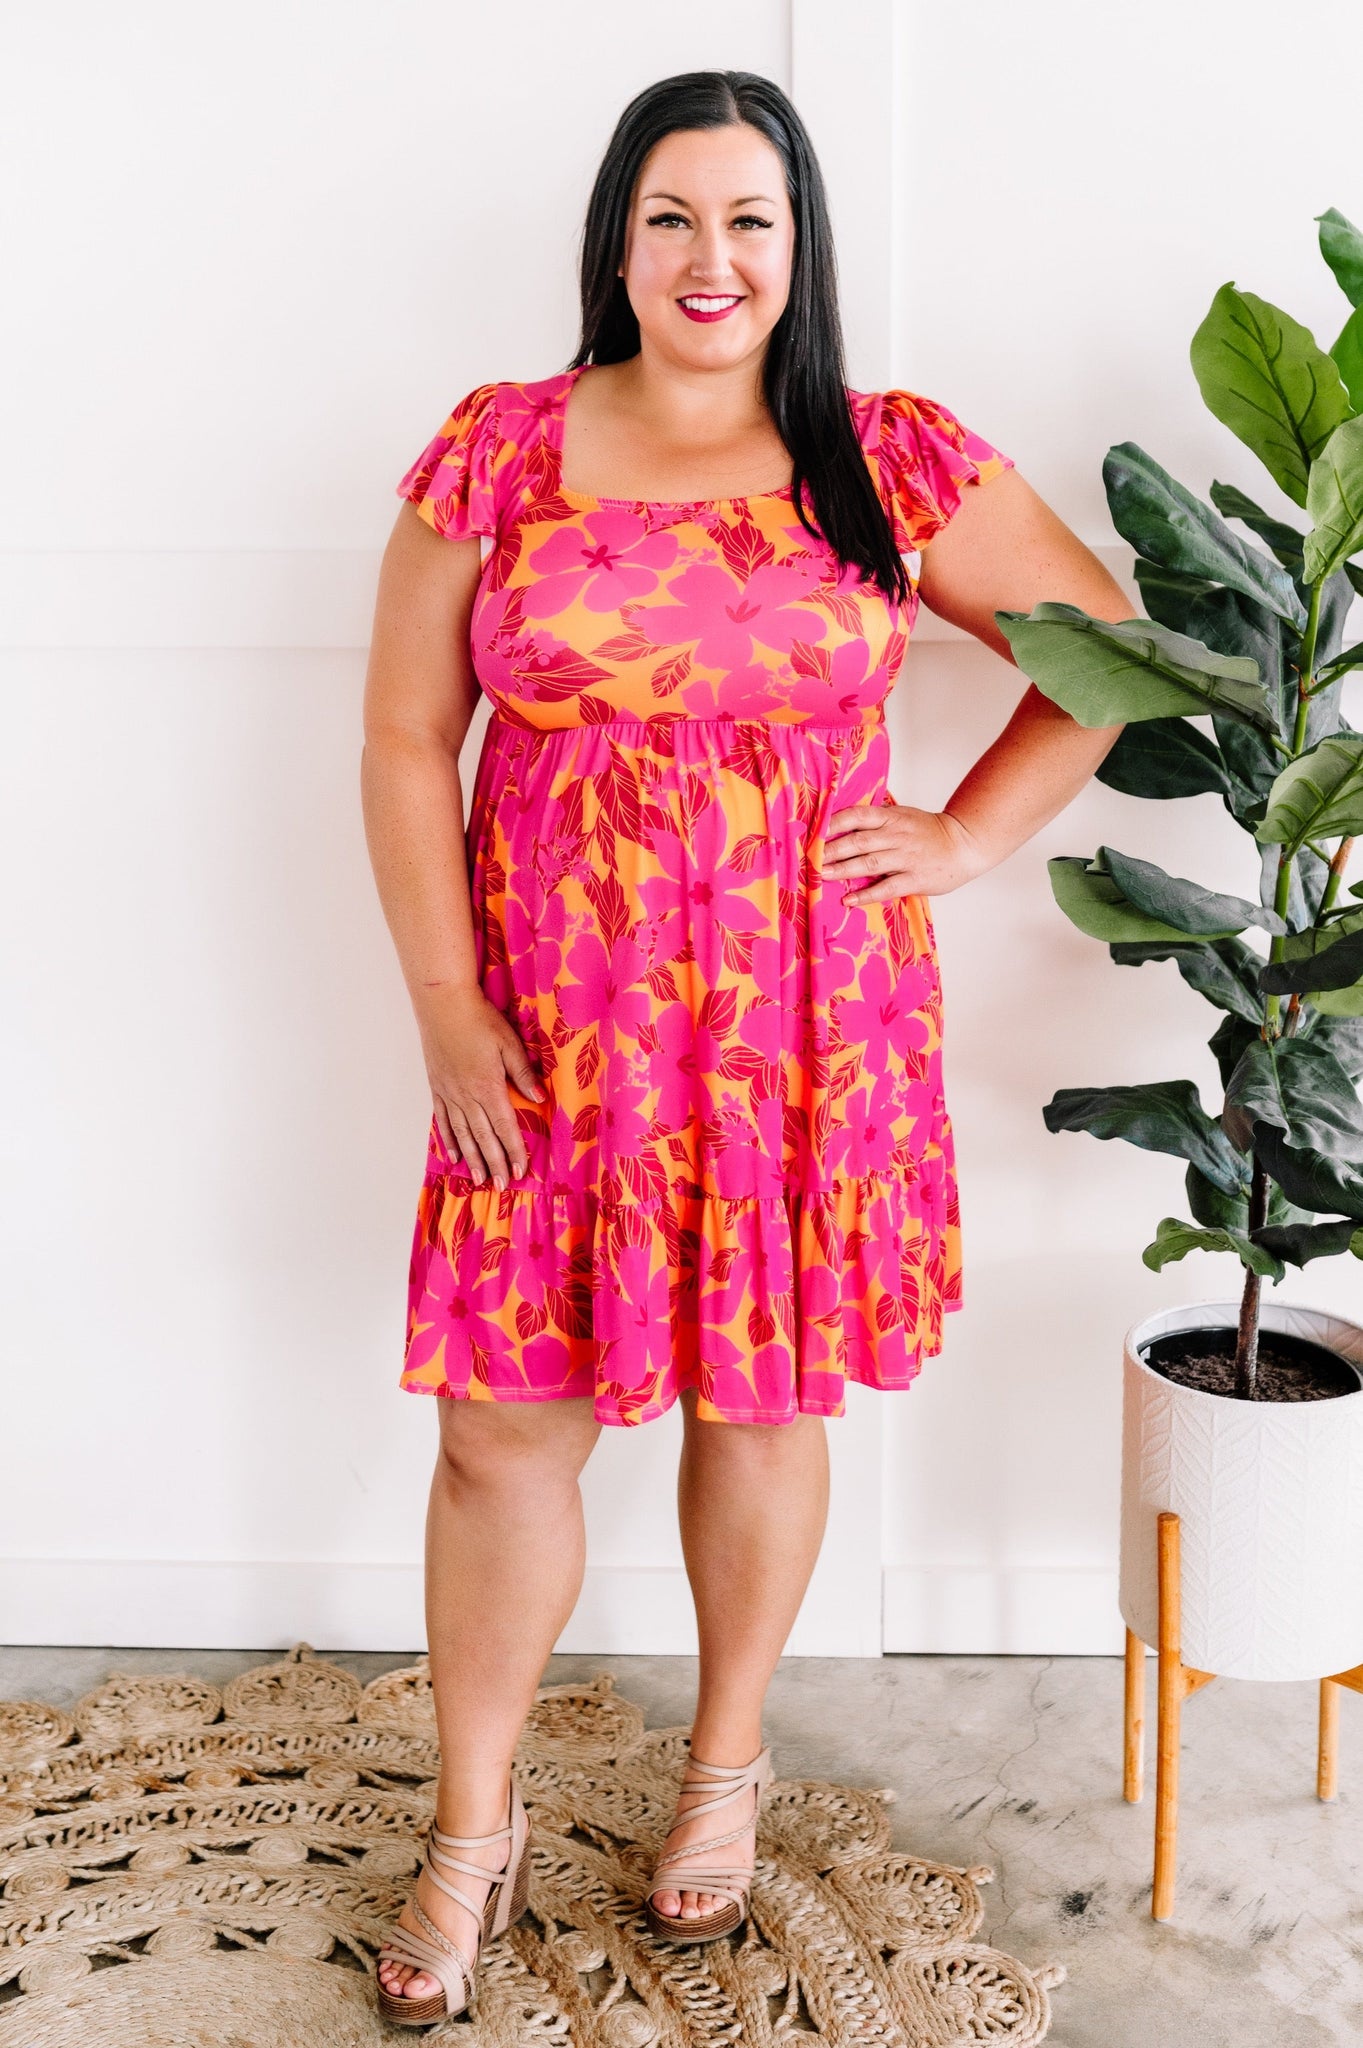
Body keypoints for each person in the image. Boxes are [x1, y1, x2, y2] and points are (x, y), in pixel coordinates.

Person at [360, 68, 1127, 2023]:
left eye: (751, 220)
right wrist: (447, 1008)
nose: (713, 258)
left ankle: (724, 1767)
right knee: (499, 1430)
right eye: (674, 218)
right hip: (545, 1031)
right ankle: (472, 1823)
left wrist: (966, 834)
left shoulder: (887, 455)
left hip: (803, 1030)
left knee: (760, 1401)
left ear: (801, 247)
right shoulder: (501, 447)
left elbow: (1101, 652)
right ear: (616, 244)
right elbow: (402, 737)